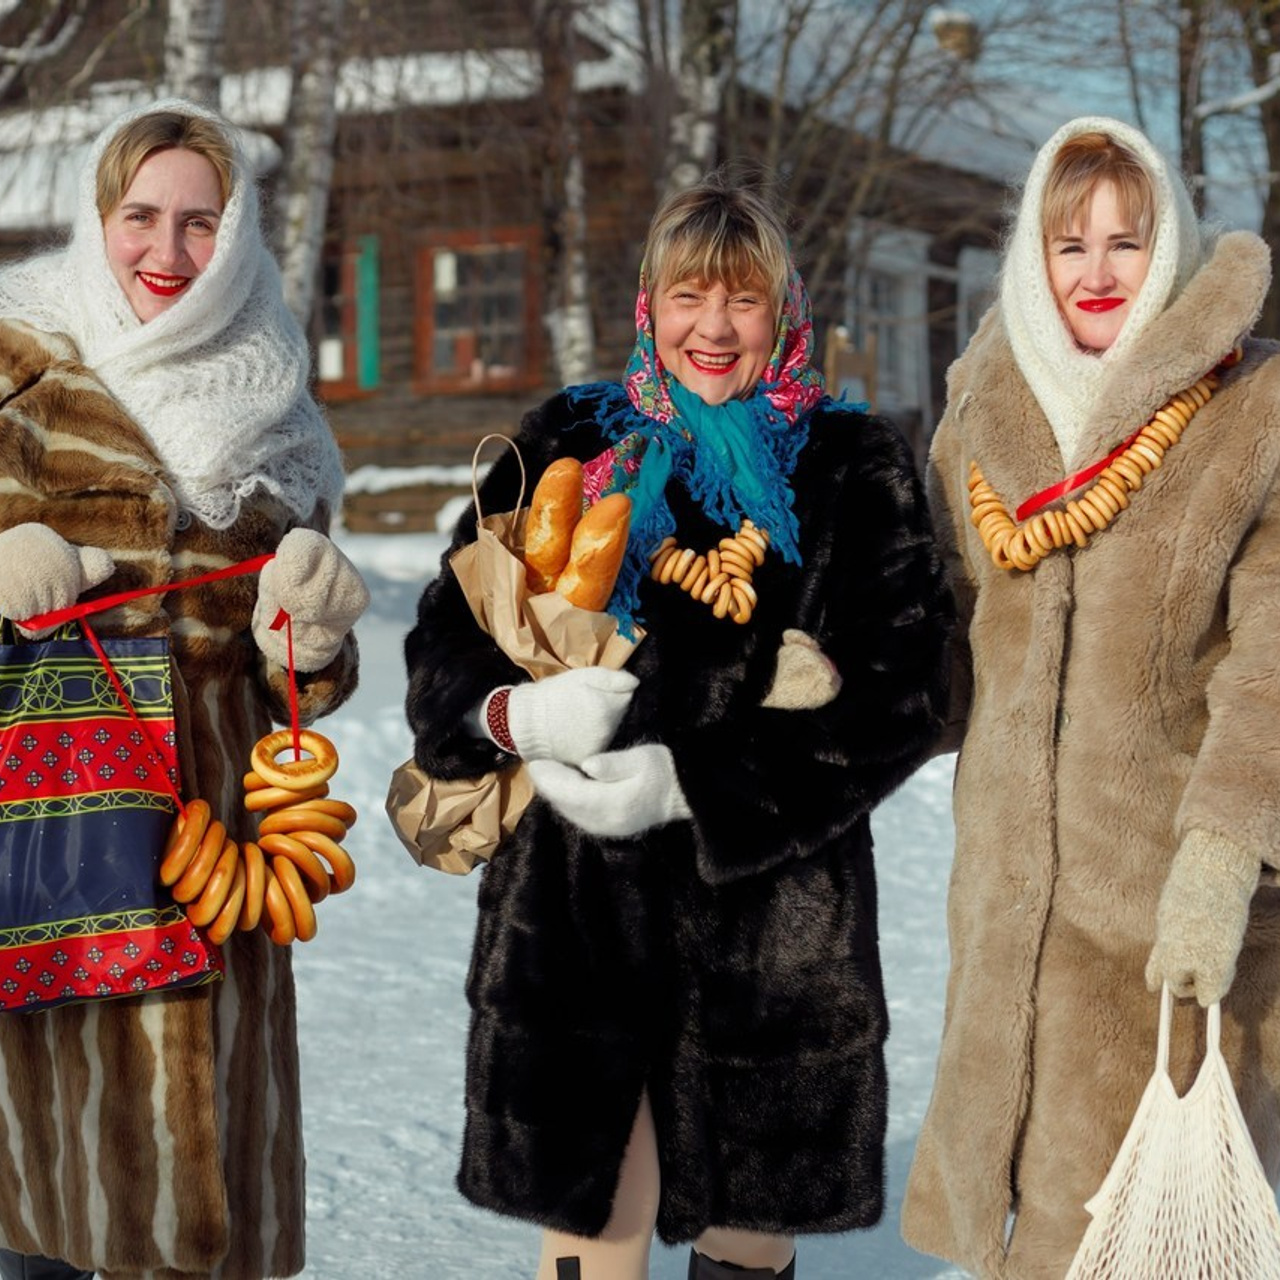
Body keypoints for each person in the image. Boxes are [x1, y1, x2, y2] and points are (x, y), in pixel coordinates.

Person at [403, 172, 951, 1279]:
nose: (713, 327)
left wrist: (698, 779)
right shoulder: (564, 437)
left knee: (744, 1232)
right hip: (571, 907)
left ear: (783, 314)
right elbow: (442, 641)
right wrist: (510, 712)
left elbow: (910, 691)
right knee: (594, 1214)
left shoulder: (851, 465)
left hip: (770, 917)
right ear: (647, 305)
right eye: (688, 295)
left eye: (742, 301)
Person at [901, 115, 1280, 1278]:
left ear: (1165, 248)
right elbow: (952, 632)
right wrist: (847, 688)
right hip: (1005, 915)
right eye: (1071, 245)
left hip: (1168, 922)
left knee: (1142, 1241)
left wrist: (1220, 860)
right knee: (1017, 1231)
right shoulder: (982, 415)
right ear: (1033, 256)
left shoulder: (1248, 412)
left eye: (1127, 239)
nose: (1098, 270)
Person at [0, 100, 368, 1279]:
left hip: (218, 833)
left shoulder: (279, 406)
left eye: (200, 222)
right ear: (96, 219)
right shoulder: (18, 367)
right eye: (140, 217)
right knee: (50, 1200)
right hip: (51, 828)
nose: (167, 252)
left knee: (205, 1216)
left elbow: (294, 674)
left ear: (241, 231)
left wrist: (308, 637)